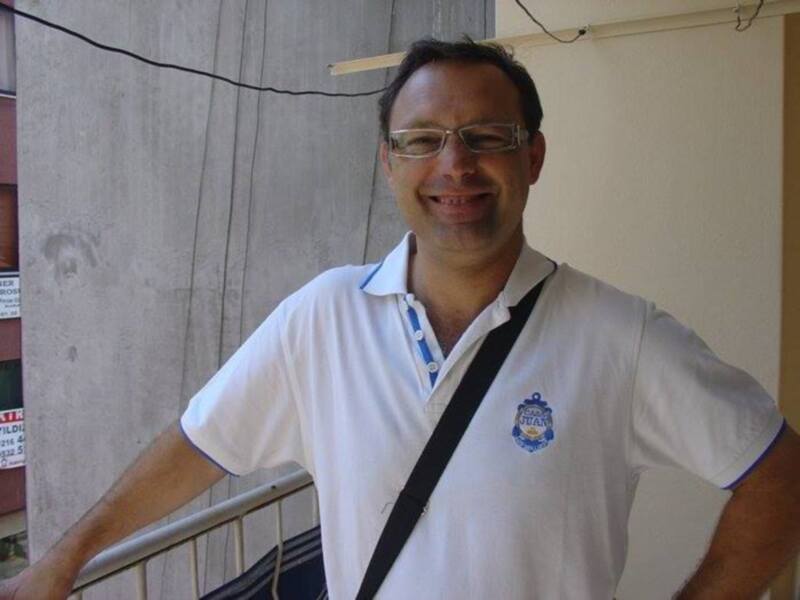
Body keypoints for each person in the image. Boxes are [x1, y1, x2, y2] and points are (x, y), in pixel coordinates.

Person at [2, 38, 800, 600]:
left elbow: (779, 477)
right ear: (390, 163)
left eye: (486, 137)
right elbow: (198, 445)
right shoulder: (321, 318)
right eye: (423, 140)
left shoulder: (619, 336)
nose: (455, 165)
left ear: (534, 157)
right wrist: (62, 561)